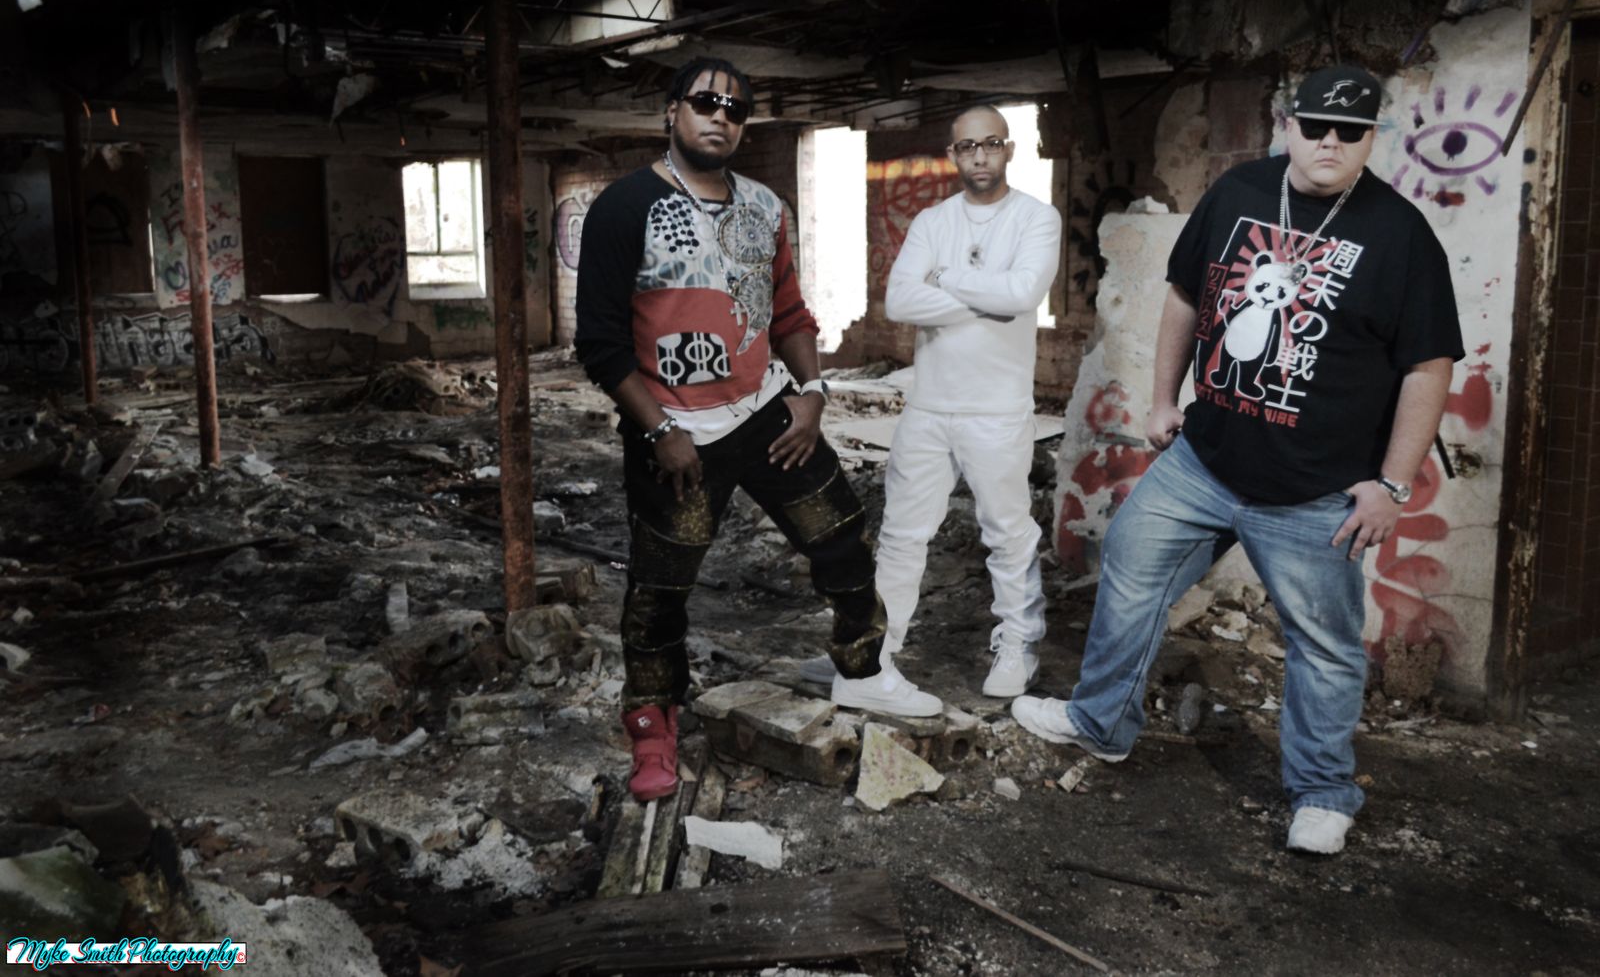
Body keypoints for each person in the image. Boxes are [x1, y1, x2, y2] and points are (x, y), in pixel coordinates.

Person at [1012, 65, 1463, 855]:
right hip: (1204, 461)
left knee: (1322, 646)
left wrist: (1391, 485)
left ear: (1370, 139)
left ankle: (1322, 792)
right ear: (1288, 125)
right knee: (1130, 573)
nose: (1329, 142)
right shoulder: (1239, 193)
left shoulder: (1401, 235)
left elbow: (1427, 366)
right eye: (1315, 126)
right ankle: (1101, 722)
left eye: (1349, 132)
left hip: (1316, 490)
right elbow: (1185, 296)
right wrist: (1163, 400)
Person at [575, 57, 941, 804]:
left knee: (841, 538)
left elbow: (789, 313)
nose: (720, 116)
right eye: (705, 102)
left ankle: (863, 668)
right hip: (675, 434)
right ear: (672, 111)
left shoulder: (767, 207)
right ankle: (652, 723)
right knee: (659, 588)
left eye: (735, 109)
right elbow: (600, 343)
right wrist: (658, 431)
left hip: (768, 414)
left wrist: (812, 394)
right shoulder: (624, 207)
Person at [803, 106, 1060, 699]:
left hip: (997, 409)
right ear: (952, 154)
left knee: (1007, 533)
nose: (979, 156)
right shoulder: (932, 221)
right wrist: (989, 297)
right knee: (901, 534)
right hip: (928, 407)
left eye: (990, 144)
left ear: (1009, 149)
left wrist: (943, 280)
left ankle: (1018, 646)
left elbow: (1023, 293)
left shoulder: (1035, 218)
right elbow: (899, 302)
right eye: (967, 146)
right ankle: (874, 653)